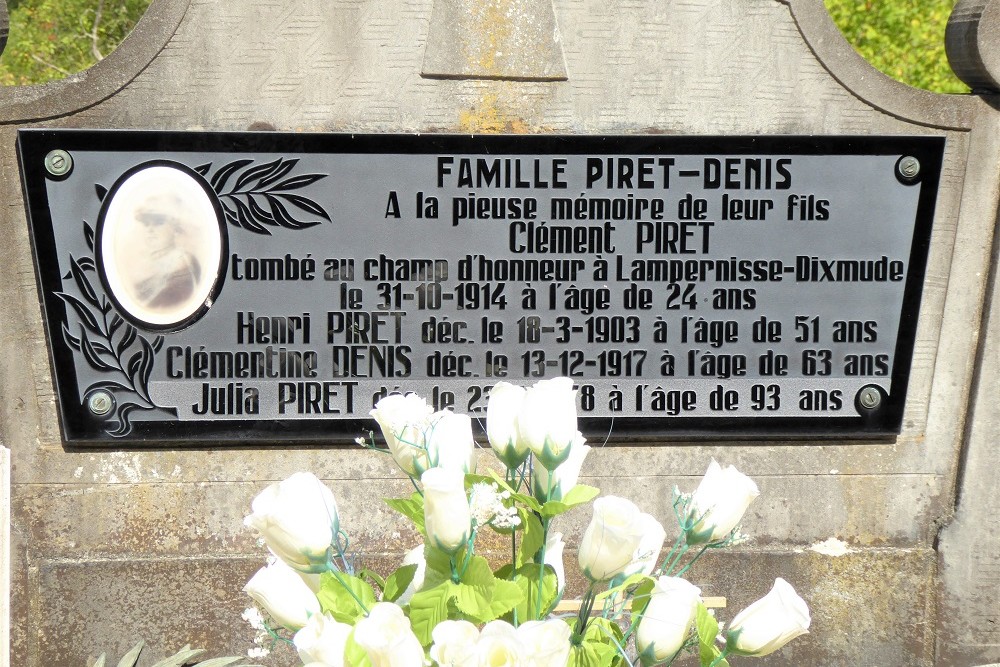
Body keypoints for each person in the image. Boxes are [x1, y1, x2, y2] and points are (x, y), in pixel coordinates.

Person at [130, 192, 202, 312]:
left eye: (159, 222)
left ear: (174, 228)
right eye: (146, 224)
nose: (150, 229)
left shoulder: (182, 262)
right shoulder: (145, 264)